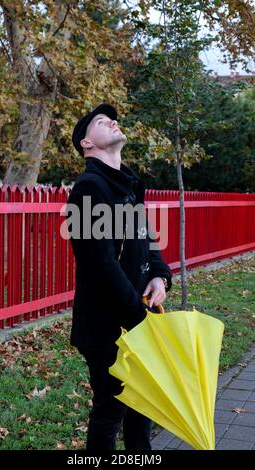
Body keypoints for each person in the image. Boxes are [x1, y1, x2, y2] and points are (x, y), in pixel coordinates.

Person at [67, 103, 172, 451]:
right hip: (107, 328)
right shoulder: (89, 189)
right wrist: (138, 318)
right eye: (101, 121)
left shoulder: (127, 186)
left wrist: (160, 276)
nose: (113, 121)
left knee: (140, 410)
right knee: (110, 413)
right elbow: (100, 265)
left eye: (112, 119)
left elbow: (147, 238)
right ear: (86, 143)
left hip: (135, 322)